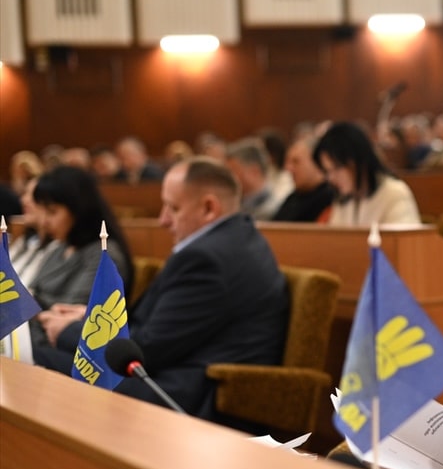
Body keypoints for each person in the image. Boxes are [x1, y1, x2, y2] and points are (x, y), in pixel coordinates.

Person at [34, 158, 289, 428]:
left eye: (173, 208)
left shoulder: (208, 259)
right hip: (172, 371)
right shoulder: (235, 240)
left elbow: (147, 350)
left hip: (182, 393)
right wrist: (90, 317)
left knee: (37, 359)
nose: (163, 220)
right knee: (39, 356)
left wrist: (70, 331)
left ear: (209, 208)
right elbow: (159, 329)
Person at [27, 166, 133, 349]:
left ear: (78, 209)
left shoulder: (104, 255)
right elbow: (34, 292)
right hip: (33, 339)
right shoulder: (60, 247)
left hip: (63, 351)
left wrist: (28, 306)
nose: (44, 222)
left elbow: (69, 317)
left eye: (52, 212)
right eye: (42, 211)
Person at [313, 121, 421, 226]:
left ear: (359, 160)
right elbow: (336, 236)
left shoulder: (394, 193)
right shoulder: (343, 199)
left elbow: (403, 237)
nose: (331, 178)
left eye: (337, 168)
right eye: (328, 171)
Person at [272, 135, 336, 222]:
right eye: (288, 162)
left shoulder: (330, 200)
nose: (288, 168)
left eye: (296, 162)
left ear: (316, 163)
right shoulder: (293, 197)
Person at [224, 137, 287, 221]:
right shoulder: (235, 203)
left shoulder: (273, 210)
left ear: (254, 172)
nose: (228, 177)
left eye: (233, 171)